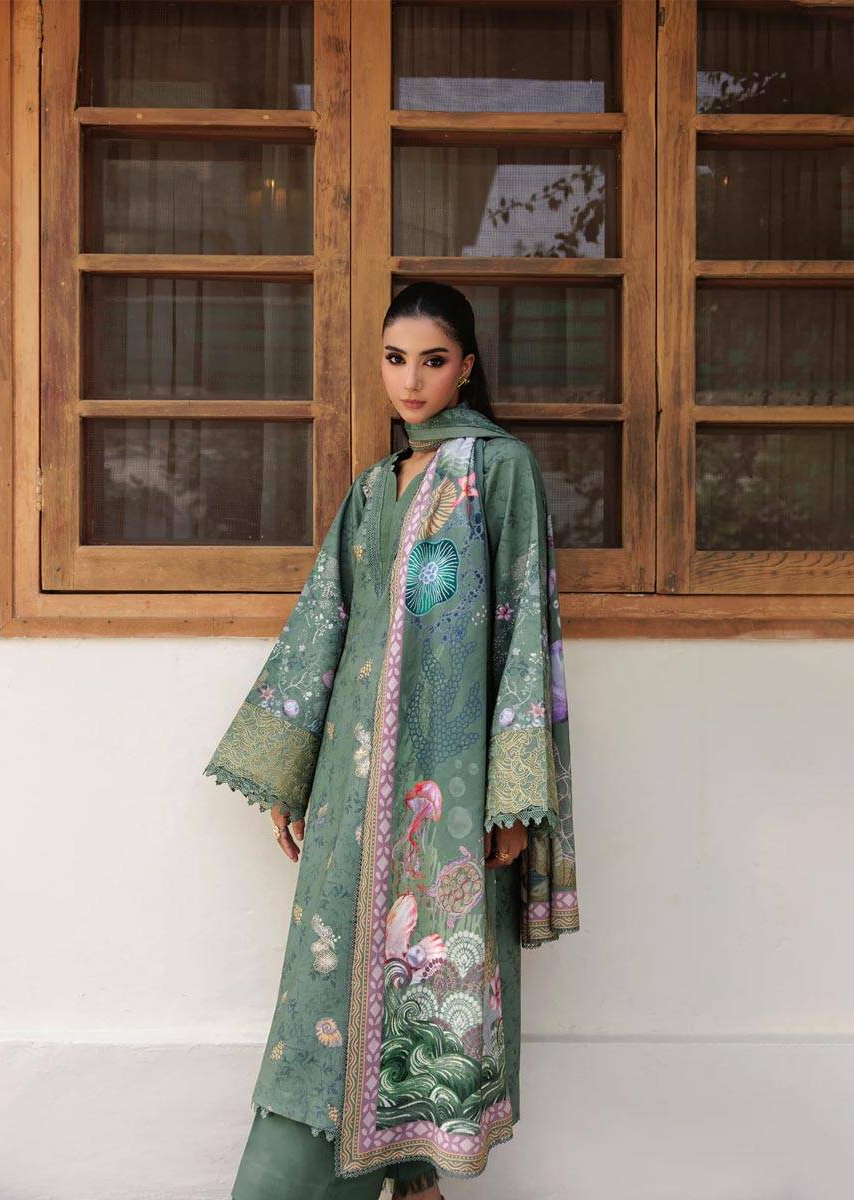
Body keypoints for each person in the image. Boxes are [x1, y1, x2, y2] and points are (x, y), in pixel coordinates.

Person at [203, 281, 581, 1199]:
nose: (411, 381)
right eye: (395, 359)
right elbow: (324, 626)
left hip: (450, 798)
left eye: (433, 360)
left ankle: (410, 1180)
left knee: (428, 986)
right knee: (329, 989)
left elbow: (525, 629)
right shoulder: (375, 488)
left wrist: (514, 796)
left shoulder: (498, 472)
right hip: (350, 784)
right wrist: (292, 774)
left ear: (468, 367)